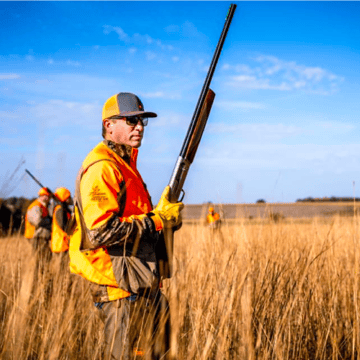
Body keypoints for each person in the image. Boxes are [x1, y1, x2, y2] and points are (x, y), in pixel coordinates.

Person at [69, 92, 184, 359]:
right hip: (118, 287)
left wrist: (166, 219)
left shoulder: (125, 164)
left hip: (138, 281)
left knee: (157, 350)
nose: (140, 127)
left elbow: (135, 220)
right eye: (131, 121)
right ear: (109, 125)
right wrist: (157, 220)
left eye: (142, 121)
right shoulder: (102, 167)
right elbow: (100, 232)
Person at [25, 187, 52, 255]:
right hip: (35, 235)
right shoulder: (36, 206)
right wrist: (49, 221)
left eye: (48, 196)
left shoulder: (43, 206)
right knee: (41, 256)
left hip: (39, 235)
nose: (48, 198)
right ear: (42, 196)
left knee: (45, 256)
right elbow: (38, 221)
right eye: (47, 196)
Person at [51, 187, 73, 254]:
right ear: (64, 198)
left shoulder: (61, 208)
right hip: (61, 244)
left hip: (61, 243)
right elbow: (63, 226)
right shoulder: (60, 209)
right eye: (68, 197)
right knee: (63, 264)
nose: (70, 198)